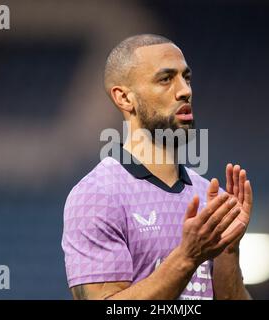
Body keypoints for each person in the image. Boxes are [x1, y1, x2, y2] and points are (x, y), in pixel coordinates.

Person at [61, 34, 253, 300]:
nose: (185, 90)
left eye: (186, 78)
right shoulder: (97, 196)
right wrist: (187, 257)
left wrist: (228, 250)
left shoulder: (213, 201)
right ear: (125, 98)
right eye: (166, 79)